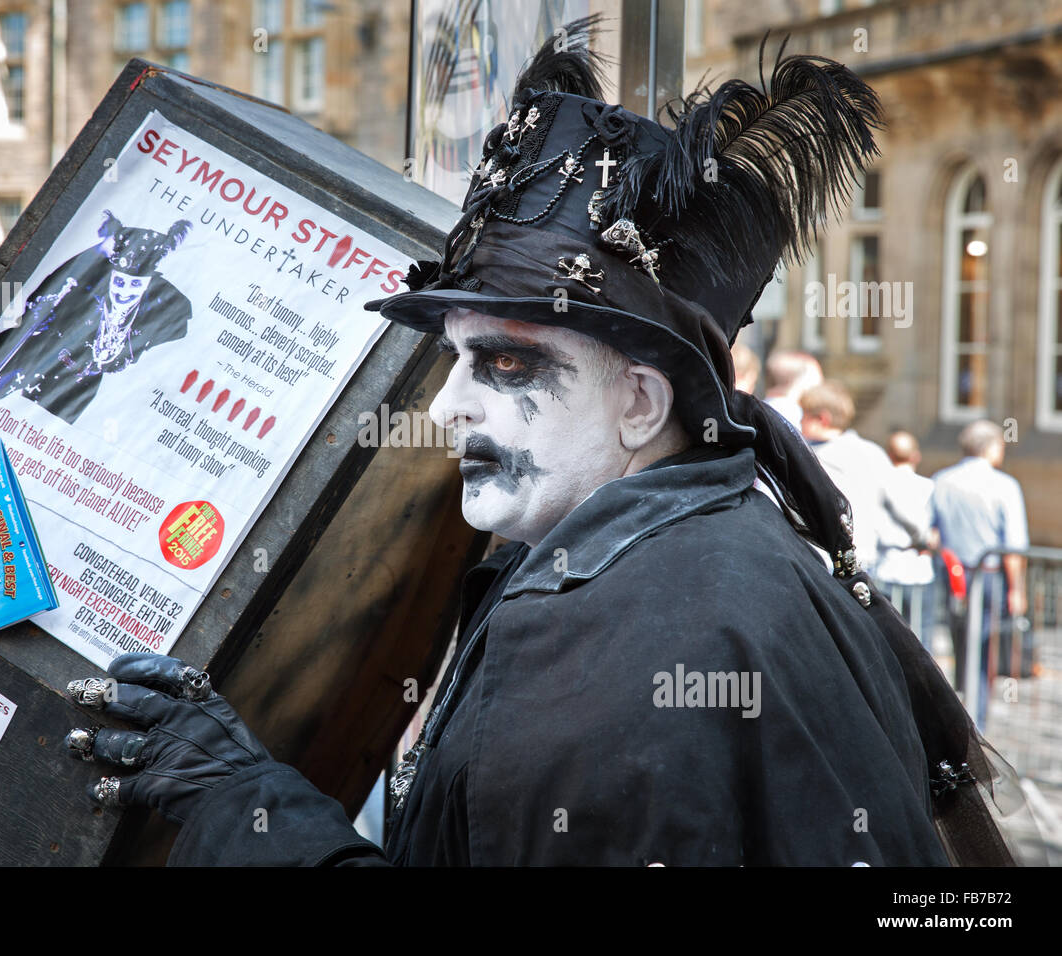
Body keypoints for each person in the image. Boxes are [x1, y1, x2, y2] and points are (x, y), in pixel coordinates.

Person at [59, 21, 1020, 866]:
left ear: (641, 402)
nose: (447, 410)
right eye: (454, 359)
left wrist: (235, 798)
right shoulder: (710, 548)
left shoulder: (624, 645)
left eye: (505, 366)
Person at [0, 210, 193, 432]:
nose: (125, 292)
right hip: (32, 360)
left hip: (69, 396)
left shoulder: (167, 308)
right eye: (119, 283)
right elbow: (43, 303)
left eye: (136, 285)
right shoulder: (87, 286)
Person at [931, 420, 1030, 731]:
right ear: (990, 448)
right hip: (988, 577)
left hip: (953, 574)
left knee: (960, 643)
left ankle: (963, 708)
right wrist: (1017, 589)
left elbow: (931, 532)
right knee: (983, 647)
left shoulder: (941, 480)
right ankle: (977, 719)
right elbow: (1014, 545)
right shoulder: (1004, 485)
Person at [799, 381, 894, 575]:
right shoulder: (872, 453)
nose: (799, 423)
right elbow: (896, 503)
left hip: (824, 562)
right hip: (865, 559)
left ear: (822, 419)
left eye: (804, 416)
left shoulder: (806, 457)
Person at [874, 431, 937, 651]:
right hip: (917, 567)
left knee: (886, 638)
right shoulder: (928, 487)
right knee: (920, 638)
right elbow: (936, 532)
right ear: (916, 456)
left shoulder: (878, 485)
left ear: (890, 454)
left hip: (886, 566)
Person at [763, 349, 822, 428]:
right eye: (816, 380)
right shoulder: (796, 416)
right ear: (801, 381)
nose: (819, 387)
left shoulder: (759, 408)